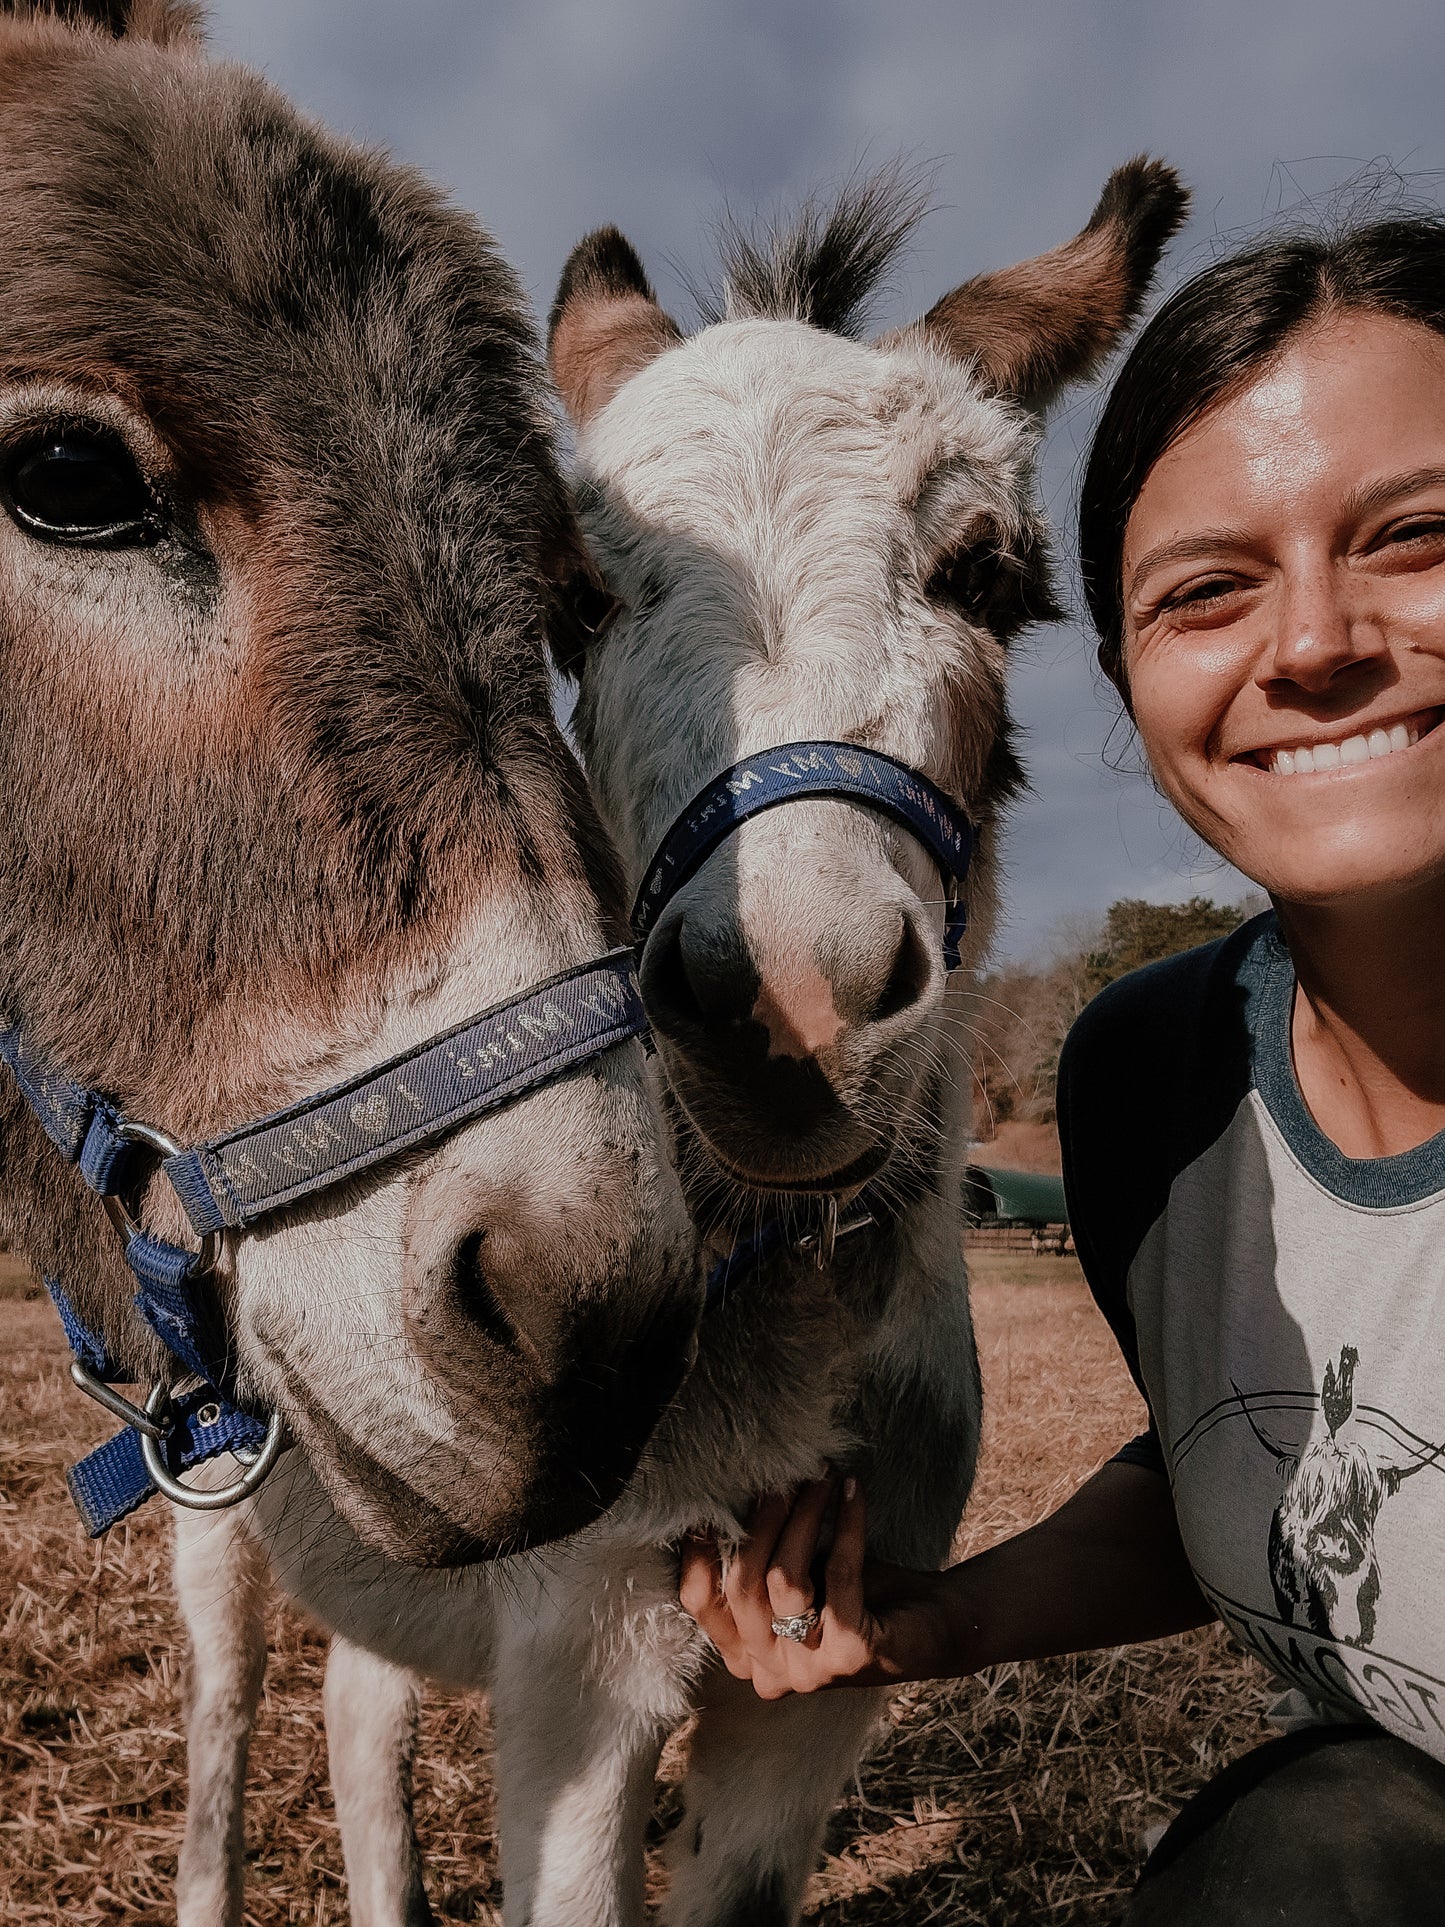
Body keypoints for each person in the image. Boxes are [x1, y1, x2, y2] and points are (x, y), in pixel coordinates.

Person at [679, 214, 1445, 1923]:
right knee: (1305, 1848)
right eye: (1208, 589)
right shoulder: (1153, 1078)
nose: (1312, 642)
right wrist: (947, 1619)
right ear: (1120, 673)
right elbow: (1246, 1468)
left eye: (1417, 536)